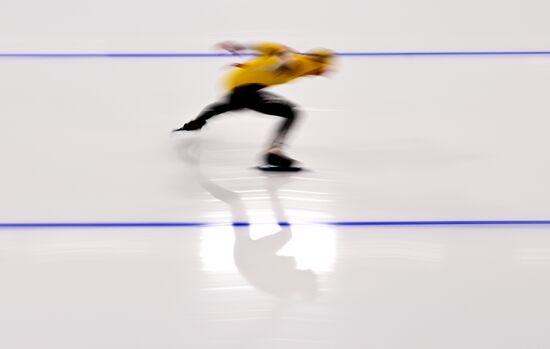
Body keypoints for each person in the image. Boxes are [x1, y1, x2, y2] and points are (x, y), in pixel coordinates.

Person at [173, 41, 335, 168]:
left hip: (237, 83)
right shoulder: (305, 63)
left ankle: (196, 123)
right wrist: (279, 65)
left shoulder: (298, 58)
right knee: (291, 112)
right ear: (319, 62)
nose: (323, 73)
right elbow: (287, 58)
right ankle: (274, 152)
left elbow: (270, 47)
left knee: (234, 105)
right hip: (246, 87)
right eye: (325, 69)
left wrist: (243, 51)